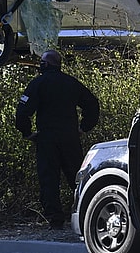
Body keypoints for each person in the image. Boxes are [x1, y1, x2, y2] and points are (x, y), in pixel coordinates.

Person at [15, 50, 100, 230]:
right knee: (77, 179)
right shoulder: (71, 83)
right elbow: (92, 103)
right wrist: (84, 127)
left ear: (45, 65)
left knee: (49, 179)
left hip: (47, 139)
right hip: (70, 138)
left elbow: (22, 112)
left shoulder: (38, 83)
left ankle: (55, 220)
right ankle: (86, 215)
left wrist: (27, 132)